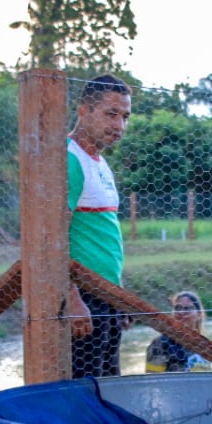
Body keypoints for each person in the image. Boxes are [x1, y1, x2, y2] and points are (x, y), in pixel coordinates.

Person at [66, 74, 132, 378]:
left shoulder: (100, 164)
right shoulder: (69, 160)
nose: (119, 125)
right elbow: (52, 239)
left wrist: (120, 297)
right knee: (86, 390)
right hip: (85, 299)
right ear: (84, 110)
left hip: (107, 296)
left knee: (109, 385)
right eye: (111, 114)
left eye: (124, 117)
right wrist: (72, 297)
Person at [145, 290, 212, 372]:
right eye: (178, 308)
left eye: (187, 308)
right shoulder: (160, 344)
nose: (181, 312)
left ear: (199, 314)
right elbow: (153, 378)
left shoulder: (204, 344)